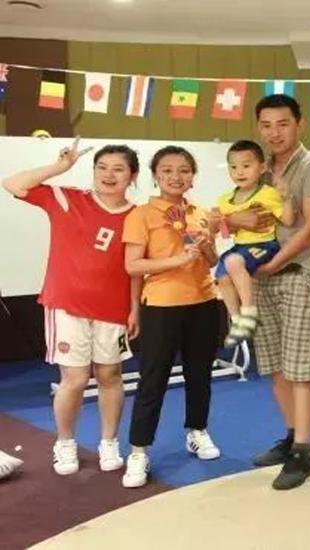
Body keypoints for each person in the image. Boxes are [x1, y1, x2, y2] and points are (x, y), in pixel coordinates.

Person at [2, 139, 141, 476]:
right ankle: (65, 443)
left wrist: (135, 308)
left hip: (113, 309)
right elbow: (13, 184)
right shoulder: (68, 198)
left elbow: (136, 268)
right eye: (102, 167)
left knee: (110, 375)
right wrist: (61, 167)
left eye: (118, 169)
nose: (109, 175)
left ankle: (109, 441)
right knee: (75, 379)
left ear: (132, 176)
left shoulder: (138, 216)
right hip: (67, 305)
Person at [235, 94, 310, 491]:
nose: (274, 132)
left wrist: (273, 263)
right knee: (275, 366)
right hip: (262, 275)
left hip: (299, 272)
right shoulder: (256, 169)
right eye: (266, 125)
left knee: (299, 368)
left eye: (283, 124)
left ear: (300, 124)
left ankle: (304, 452)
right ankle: (293, 437)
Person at [122, 146, 221, 488]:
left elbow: (211, 261)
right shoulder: (141, 215)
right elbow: (132, 265)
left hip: (204, 302)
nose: (176, 177)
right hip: (161, 305)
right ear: (155, 175)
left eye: (184, 170)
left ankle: (197, 430)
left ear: (193, 176)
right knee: (153, 380)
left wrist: (207, 246)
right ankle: (138, 451)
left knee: (200, 375)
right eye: (167, 170)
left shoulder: (202, 213)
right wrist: (176, 261)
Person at [214, 140, 294, 346]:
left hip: (264, 245)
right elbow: (225, 233)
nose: (239, 172)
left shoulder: (268, 193)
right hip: (240, 247)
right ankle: (237, 320)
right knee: (221, 275)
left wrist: (286, 198)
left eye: (246, 166)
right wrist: (219, 222)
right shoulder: (224, 199)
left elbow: (288, 220)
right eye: (233, 167)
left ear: (262, 167)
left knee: (232, 262)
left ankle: (250, 313)